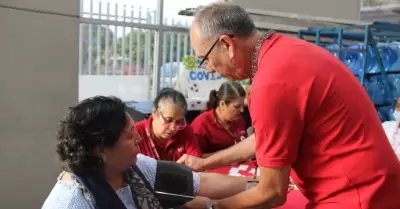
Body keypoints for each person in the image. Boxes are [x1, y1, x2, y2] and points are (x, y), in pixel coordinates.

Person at [185, 2, 400, 209]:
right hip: (375, 188)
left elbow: (271, 192)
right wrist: (205, 163)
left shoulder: (271, 82)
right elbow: (265, 138)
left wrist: (212, 206)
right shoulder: (286, 50)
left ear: (227, 44)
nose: (209, 69)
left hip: (358, 197)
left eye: (205, 59)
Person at [42, 96, 255, 209]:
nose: (139, 138)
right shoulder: (70, 202)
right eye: (129, 135)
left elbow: (199, 183)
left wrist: (258, 185)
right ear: (101, 149)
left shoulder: (137, 168)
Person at [135, 88, 202, 161]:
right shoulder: (136, 133)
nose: (173, 128)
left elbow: (197, 163)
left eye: (179, 122)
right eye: (168, 120)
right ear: (154, 113)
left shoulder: (185, 130)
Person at [191, 81, 247, 157]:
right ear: (222, 104)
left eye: (242, 106)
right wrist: (227, 156)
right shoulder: (201, 125)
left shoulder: (239, 119)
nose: (242, 110)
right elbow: (195, 157)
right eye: (237, 106)